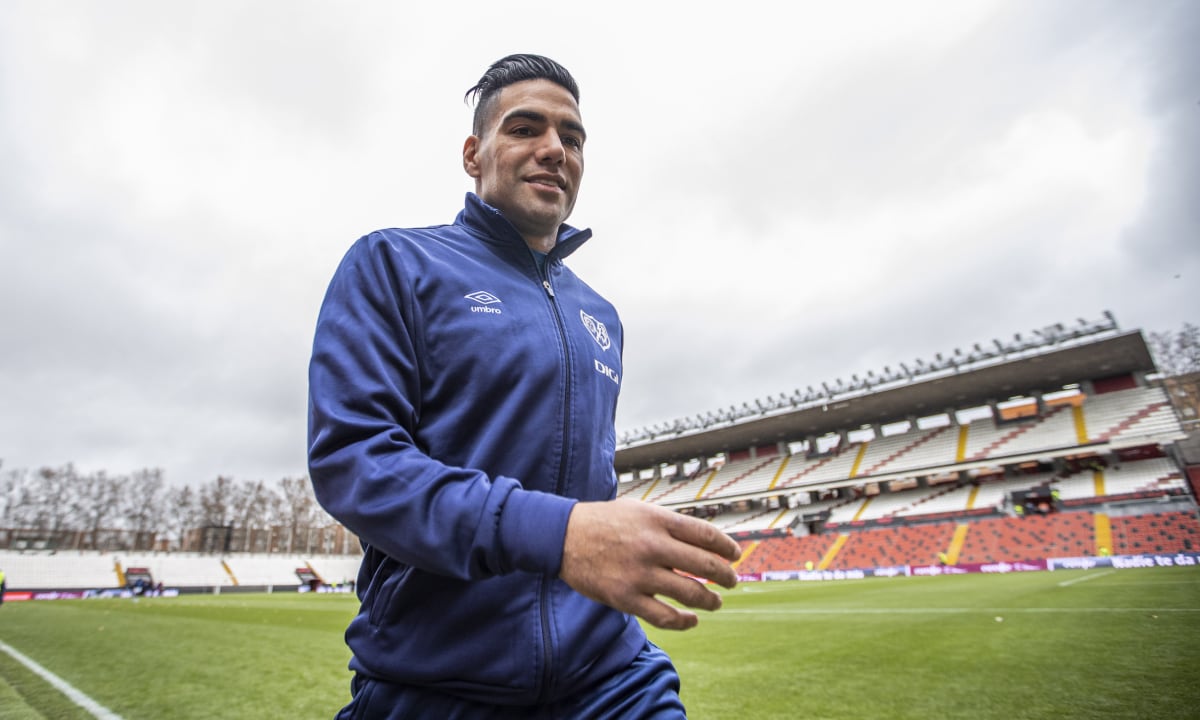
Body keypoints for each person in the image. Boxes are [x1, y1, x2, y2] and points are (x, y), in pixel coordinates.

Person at [307, 53, 741, 719]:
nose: (553, 150)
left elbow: (590, 486)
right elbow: (355, 466)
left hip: (612, 682)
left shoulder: (602, 317)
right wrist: (561, 535)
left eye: (572, 138)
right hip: (433, 687)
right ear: (473, 153)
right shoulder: (393, 263)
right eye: (525, 129)